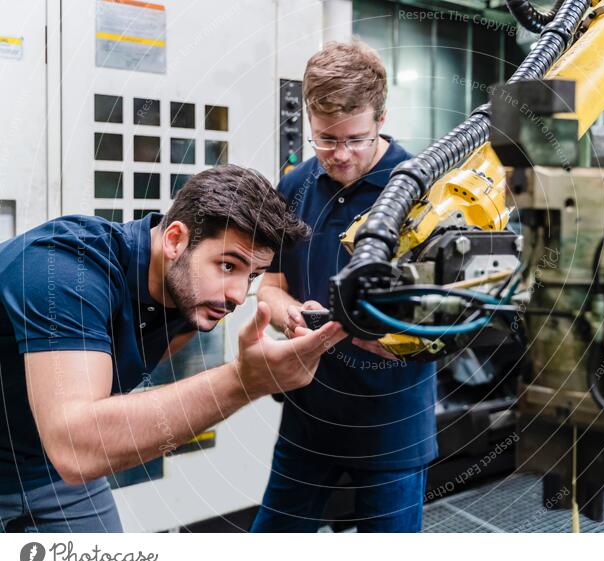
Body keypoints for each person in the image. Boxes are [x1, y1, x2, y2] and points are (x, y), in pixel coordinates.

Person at [0, 164, 346, 532]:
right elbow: (76, 446)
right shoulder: (64, 271)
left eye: (253, 275)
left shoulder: (186, 296)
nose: (237, 294)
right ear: (175, 240)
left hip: (48, 472)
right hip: (60, 457)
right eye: (228, 265)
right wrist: (244, 380)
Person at [251, 41, 437, 533]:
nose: (339, 155)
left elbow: (449, 312)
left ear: (380, 117)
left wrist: (399, 337)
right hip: (308, 417)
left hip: (391, 424)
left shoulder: (424, 192)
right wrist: (291, 312)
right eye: (325, 140)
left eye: (354, 139)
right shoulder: (295, 186)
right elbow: (270, 283)